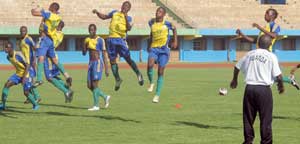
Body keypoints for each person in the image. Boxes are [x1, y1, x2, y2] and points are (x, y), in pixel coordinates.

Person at [230, 35, 284, 144]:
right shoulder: (271, 56)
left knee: (248, 118)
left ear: (258, 43)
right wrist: (281, 86)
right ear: (270, 45)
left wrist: (234, 80)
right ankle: (266, 142)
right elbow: (278, 76)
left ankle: (248, 141)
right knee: (265, 118)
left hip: (249, 89)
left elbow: (237, 67)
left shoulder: (249, 54)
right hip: (264, 90)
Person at [235, 8, 299, 90]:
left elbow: (274, 36)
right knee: (268, 76)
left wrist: (259, 27)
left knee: (264, 77)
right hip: (259, 53)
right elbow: (255, 41)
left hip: (267, 54)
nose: (264, 15)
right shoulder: (266, 27)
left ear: (272, 16)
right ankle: (289, 80)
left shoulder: (274, 25)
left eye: (267, 13)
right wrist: (242, 35)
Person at [92, 1, 144, 91]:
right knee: (112, 61)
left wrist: (125, 17)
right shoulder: (114, 13)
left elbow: (129, 28)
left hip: (120, 40)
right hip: (111, 40)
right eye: (124, 5)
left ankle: (138, 74)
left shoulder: (130, 18)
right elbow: (104, 17)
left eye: (127, 6)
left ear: (129, 9)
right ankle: (118, 79)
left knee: (128, 59)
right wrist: (97, 12)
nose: (124, 7)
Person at [31, 2, 72, 87]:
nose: (49, 7)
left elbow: (33, 13)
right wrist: (45, 15)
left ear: (53, 8)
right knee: (54, 60)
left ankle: (39, 79)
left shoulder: (49, 15)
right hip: (50, 40)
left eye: (50, 6)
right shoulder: (58, 17)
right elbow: (48, 20)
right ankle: (66, 75)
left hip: (45, 39)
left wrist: (34, 8)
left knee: (41, 58)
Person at [147, 7, 177, 103]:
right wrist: (149, 44)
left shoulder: (167, 24)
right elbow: (151, 33)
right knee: (150, 65)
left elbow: (174, 29)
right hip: (154, 48)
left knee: (160, 71)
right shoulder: (151, 22)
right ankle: (151, 83)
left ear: (164, 14)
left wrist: (175, 41)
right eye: (157, 11)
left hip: (164, 50)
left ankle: (157, 95)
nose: (157, 12)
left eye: (160, 12)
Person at [0, 42, 39, 110]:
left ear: (11, 48)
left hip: (27, 73)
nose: (5, 49)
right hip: (19, 73)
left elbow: (27, 65)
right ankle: (3, 105)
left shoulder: (18, 55)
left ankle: (35, 104)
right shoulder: (8, 57)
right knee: (7, 84)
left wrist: (24, 77)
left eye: (7, 47)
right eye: (5, 47)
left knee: (26, 92)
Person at [42, 21, 74, 103]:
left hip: (49, 56)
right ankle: (67, 89)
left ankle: (66, 91)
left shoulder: (55, 33)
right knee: (54, 77)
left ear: (58, 26)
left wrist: (44, 20)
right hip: (54, 55)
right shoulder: (61, 35)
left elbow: (45, 28)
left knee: (49, 78)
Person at [83, 24, 110, 111]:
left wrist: (106, 68)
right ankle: (105, 96)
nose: (91, 31)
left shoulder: (100, 40)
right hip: (90, 63)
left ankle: (96, 105)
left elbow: (104, 54)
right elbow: (83, 53)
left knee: (95, 84)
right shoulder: (87, 39)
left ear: (95, 30)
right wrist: (84, 45)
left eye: (92, 30)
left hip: (97, 62)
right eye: (90, 30)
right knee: (89, 85)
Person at [19, 26, 41, 103]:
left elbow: (35, 48)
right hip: (25, 64)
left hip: (30, 64)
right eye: (21, 31)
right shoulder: (21, 40)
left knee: (30, 81)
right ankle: (30, 97)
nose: (22, 32)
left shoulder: (28, 38)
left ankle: (37, 97)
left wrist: (35, 59)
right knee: (26, 81)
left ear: (27, 31)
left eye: (24, 31)